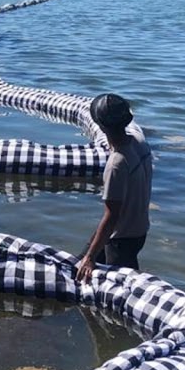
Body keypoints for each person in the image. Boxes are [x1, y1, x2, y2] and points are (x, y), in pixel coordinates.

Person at [75, 94, 153, 282]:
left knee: (123, 288)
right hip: (139, 229)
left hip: (121, 239)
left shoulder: (117, 164)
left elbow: (112, 216)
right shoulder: (138, 140)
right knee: (77, 267)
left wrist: (90, 258)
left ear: (101, 126)